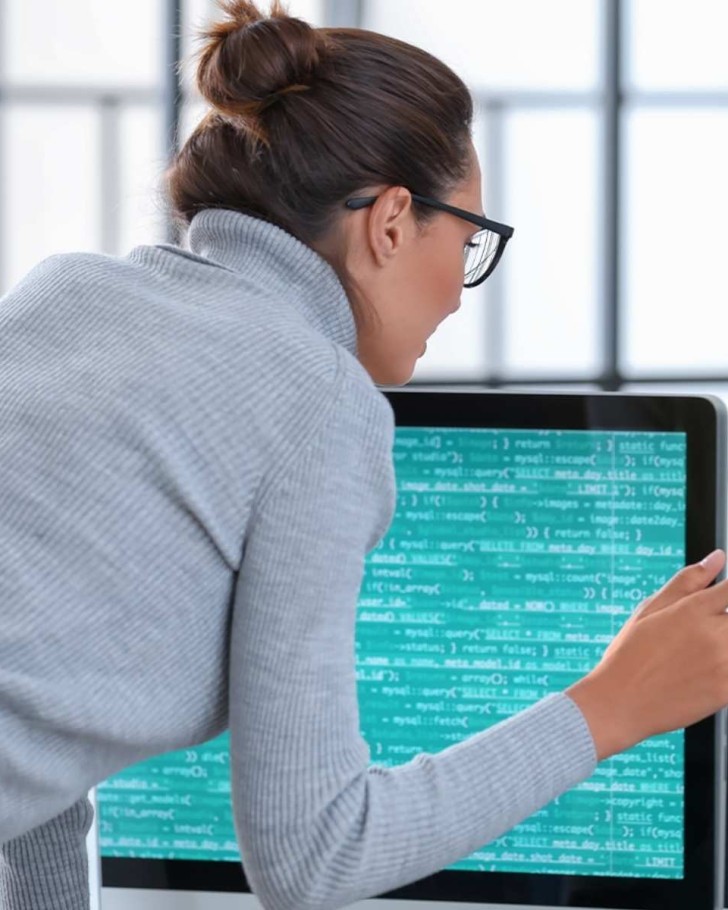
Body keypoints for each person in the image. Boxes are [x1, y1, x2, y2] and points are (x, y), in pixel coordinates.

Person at [1, 2, 728, 908]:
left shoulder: (66, 293)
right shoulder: (317, 399)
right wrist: (617, 703)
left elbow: (38, 762)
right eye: (468, 244)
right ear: (391, 222)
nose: (459, 299)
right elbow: (317, 860)